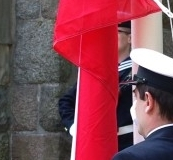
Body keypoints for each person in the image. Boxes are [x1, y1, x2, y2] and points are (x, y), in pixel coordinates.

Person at [58, 22, 135, 150]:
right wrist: (74, 128)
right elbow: (67, 101)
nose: (109, 37)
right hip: (97, 146)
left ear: (130, 38)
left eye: (116, 31)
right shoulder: (97, 71)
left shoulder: (137, 70)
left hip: (129, 144)